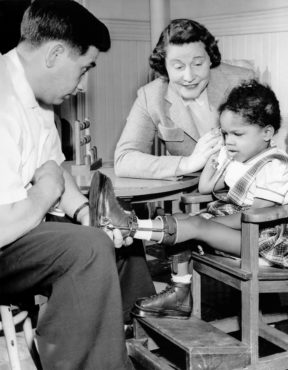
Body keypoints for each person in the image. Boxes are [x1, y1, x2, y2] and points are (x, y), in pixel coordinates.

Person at [0, 1, 135, 369]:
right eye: (83, 68)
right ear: (55, 54)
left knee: (115, 233)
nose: (82, 85)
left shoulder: (36, 98)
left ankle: (123, 343)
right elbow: (6, 224)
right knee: (87, 249)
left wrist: (84, 212)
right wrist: (45, 191)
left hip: (22, 226)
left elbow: (55, 168)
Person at [129, 79, 288, 319]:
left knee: (193, 225)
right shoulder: (240, 159)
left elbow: (256, 216)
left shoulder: (274, 165)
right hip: (240, 232)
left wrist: (204, 225)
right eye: (225, 134)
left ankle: (128, 227)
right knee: (185, 220)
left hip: (262, 242)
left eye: (238, 133)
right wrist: (218, 157)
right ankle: (179, 292)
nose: (230, 140)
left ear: (267, 132)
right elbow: (205, 187)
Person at [114, 18, 254, 180]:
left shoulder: (242, 81)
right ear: (164, 65)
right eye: (178, 67)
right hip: (190, 195)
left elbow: (267, 144)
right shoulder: (150, 96)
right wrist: (187, 163)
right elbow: (123, 159)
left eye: (198, 64)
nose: (189, 77)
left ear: (210, 59)